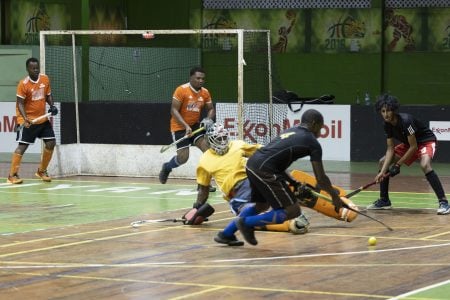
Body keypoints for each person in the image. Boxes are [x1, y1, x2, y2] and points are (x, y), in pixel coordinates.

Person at [215, 109, 345, 246]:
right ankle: (246, 223)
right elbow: (321, 178)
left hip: (252, 165)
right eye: (320, 127)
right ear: (314, 124)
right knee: (292, 210)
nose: (320, 131)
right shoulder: (312, 142)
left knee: (262, 205)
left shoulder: (290, 131)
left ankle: (226, 234)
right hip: (265, 170)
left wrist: (293, 182)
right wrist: (334, 196)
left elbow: (277, 161)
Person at [192, 124, 311, 244]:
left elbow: (263, 152)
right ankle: (291, 213)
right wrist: (196, 209)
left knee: (263, 205)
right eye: (218, 139)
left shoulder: (237, 144)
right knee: (269, 205)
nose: (222, 141)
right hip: (236, 192)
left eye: (224, 138)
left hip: (251, 180)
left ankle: (226, 234)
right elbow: (203, 189)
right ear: (210, 141)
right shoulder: (204, 161)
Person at [367, 94, 449, 215]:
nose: (386, 114)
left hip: (425, 142)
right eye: (383, 111)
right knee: (382, 162)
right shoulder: (387, 125)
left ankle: (444, 202)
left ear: (394, 110)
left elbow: (414, 147)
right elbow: (390, 149)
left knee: (425, 165)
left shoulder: (406, 121)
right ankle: (384, 200)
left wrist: (398, 165)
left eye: (388, 110)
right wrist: (382, 172)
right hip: (408, 144)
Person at [159, 66, 216, 192]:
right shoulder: (181, 90)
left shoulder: (205, 92)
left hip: (195, 126)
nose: (201, 81)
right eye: (198, 78)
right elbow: (173, 110)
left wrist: (208, 119)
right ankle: (167, 167)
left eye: (203, 79)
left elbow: (211, 109)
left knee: (208, 152)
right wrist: (185, 126)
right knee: (183, 158)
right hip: (179, 127)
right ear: (191, 77)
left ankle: (203, 183)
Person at [7, 57, 58, 184]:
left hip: (42, 119)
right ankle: (12, 175)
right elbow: (20, 104)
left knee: (51, 143)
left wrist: (52, 106)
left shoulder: (45, 79)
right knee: (22, 146)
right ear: (27, 69)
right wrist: (25, 119)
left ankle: (42, 171)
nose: (36, 70)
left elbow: (48, 95)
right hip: (27, 120)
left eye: (37, 68)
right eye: (33, 68)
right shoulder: (23, 84)